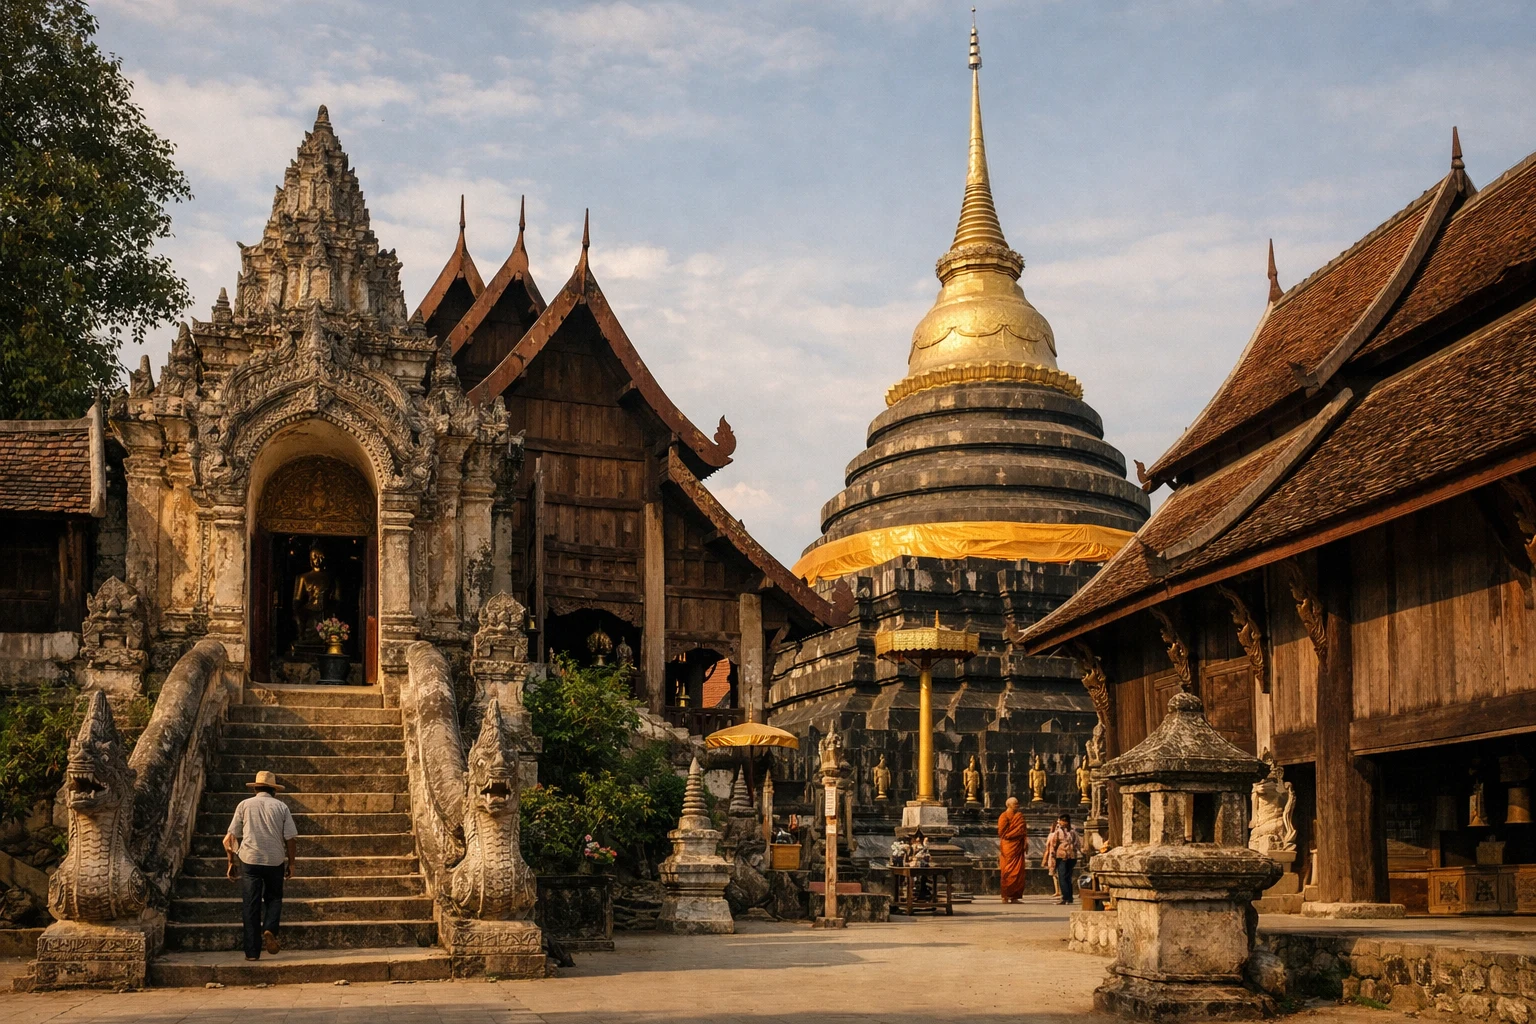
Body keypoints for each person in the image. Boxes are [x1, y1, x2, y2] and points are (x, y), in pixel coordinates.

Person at [225, 770, 298, 961]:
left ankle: (252, 952)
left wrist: (231, 862)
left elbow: (230, 838)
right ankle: (270, 928)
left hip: (249, 859)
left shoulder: (244, 805)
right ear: (274, 791)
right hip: (274, 859)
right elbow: (290, 838)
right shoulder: (281, 807)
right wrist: (292, 863)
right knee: (274, 897)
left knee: (251, 903)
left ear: (255, 788)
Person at [1043, 813, 1081, 905]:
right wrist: (1052, 854)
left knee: (1066, 877)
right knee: (1063, 876)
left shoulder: (1072, 832)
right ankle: (1066, 897)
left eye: (1061, 821)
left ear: (1066, 821)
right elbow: (1054, 844)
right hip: (1061, 856)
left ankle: (1068, 897)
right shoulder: (1058, 832)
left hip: (1071, 856)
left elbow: (1077, 843)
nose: (1060, 822)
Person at [997, 796, 1029, 904]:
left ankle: (1015, 897)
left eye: (1018, 803)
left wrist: (1022, 837)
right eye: (1015, 804)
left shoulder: (1019, 816)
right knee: (1007, 871)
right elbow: (1002, 833)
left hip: (1018, 846)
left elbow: (1023, 830)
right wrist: (1015, 833)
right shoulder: (1004, 816)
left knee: (1018, 872)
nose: (1017, 805)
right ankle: (1005, 896)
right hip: (1008, 846)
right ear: (1009, 805)